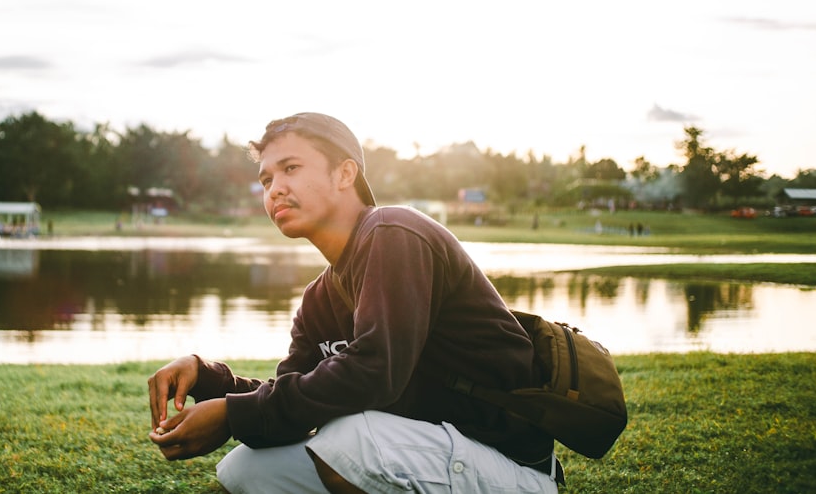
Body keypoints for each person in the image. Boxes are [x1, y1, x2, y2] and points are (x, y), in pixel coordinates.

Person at [148, 113, 560, 493]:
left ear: (345, 173)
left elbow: (374, 371)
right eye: (266, 180)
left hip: (509, 464)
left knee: (349, 442)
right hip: (421, 454)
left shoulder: (394, 232)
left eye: (291, 168)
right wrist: (211, 381)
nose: (275, 189)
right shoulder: (318, 300)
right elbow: (291, 405)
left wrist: (232, 415)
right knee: (244, 468)